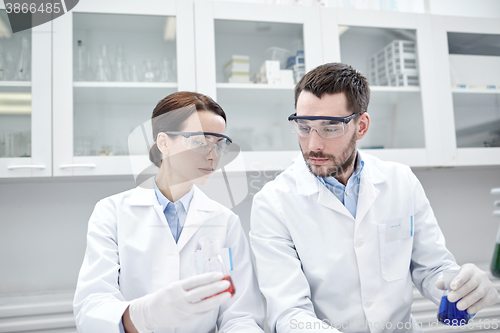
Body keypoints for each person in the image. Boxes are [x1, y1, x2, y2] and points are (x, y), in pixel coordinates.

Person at [249, 63, 498, 333]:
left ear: (362, 126)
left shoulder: (401, 181)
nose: (313, 144)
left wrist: (462, 287)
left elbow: (432, 269)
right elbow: (289, 312)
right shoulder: (272, 203)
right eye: (304, 126)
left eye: (330, 128)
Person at [74, 91, 265, 333]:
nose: (212, 156)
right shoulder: (111, 213)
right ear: (163, 143)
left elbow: (241, 314)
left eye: (219, 144)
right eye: (199, 142)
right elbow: (92, 309)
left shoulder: (225, 222)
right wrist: (148, 315)